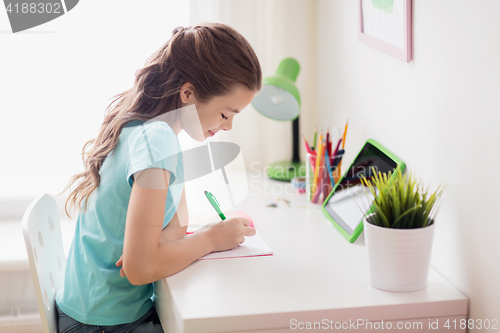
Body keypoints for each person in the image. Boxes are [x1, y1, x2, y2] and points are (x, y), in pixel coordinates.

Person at [54, 23, 262, 332]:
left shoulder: (153, 131)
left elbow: (175, 229)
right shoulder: (157, 141)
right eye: (225, 114)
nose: (228, 127)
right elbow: (140, 269)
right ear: (188, 94)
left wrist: (154, 249)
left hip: (97, 309)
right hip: (103, 322)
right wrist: (211, 240)